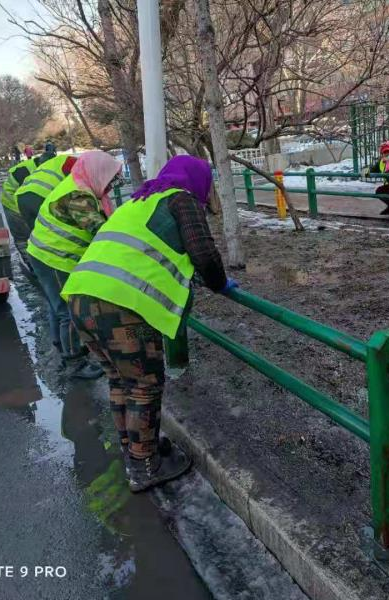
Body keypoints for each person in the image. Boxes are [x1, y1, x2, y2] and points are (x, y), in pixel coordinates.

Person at [61, 155, 236, 493]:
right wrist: (221, 283)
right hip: (120, 307)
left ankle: (137, 450)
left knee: (120, 379)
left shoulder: (138, 201)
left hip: (81, 297)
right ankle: (144, 466)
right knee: (143, 384)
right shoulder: (182, 199)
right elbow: (203, 253)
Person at [26, 150, 121, 379]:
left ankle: (60, 345)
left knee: (56, 306)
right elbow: (100, 232)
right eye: (110, 179)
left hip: (43, 254)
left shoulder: (80, 182)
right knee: (68, 311)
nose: (111, 186)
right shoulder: (79, 197)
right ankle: (74, 363)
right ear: (98, 173)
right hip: (54, 259)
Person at [1, 143, 58, 257]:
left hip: (23, 200)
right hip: (12, 204)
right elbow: (29, 198)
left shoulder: (42, 168)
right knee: (24, 237)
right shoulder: (24, 171)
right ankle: (29, 261)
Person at [16, 152, 77, 231]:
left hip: (21, 198)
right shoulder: (69, 161)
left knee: (37, 234)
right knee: (53, 232)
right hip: (41, 197)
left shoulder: (44, 167)